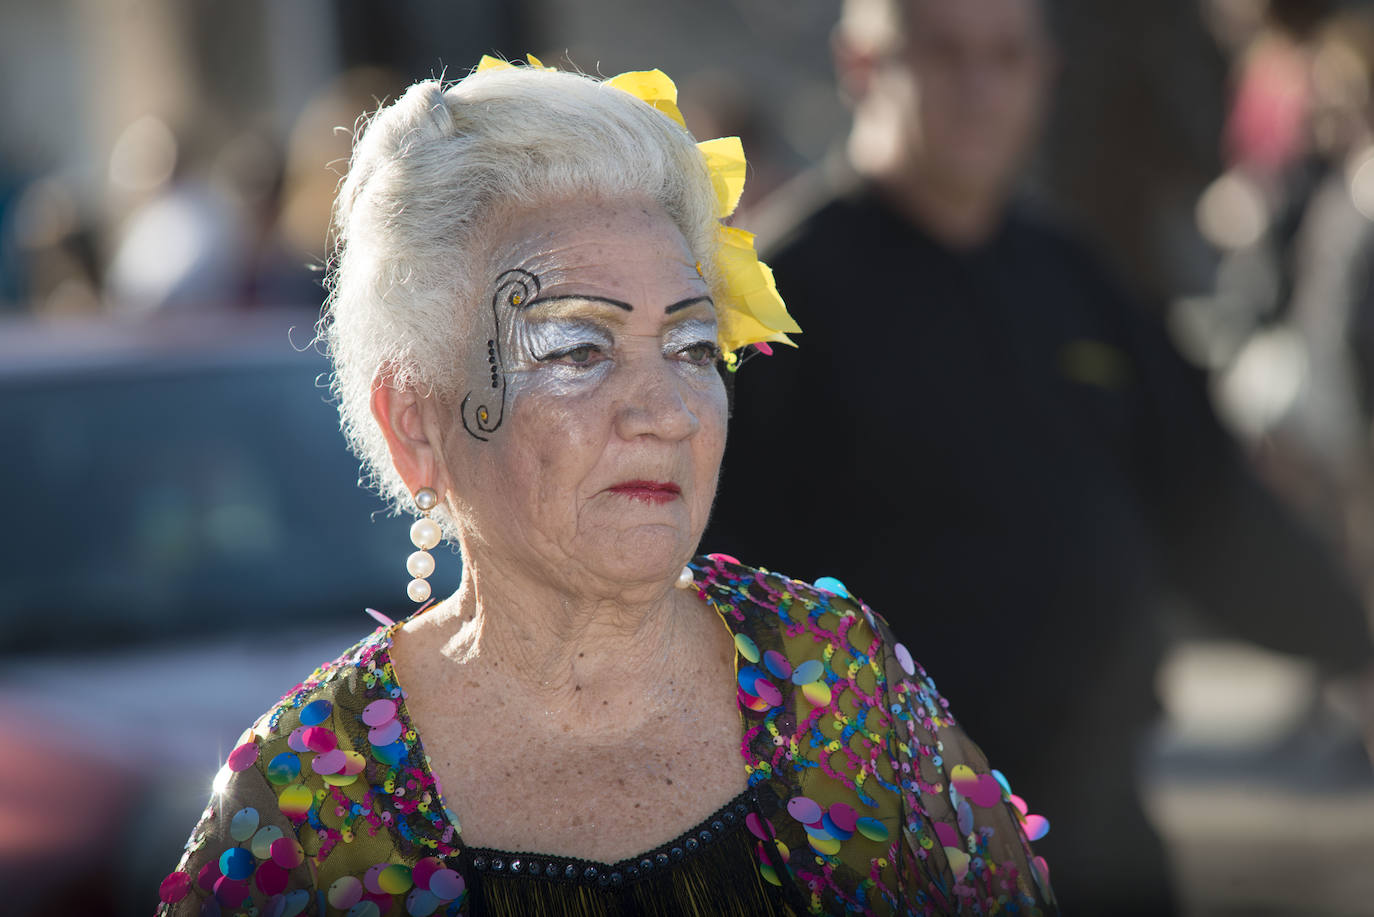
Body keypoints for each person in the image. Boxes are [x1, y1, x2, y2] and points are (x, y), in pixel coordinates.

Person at [155, 57, 1056, 917]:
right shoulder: (309, 800)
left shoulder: (839, 683)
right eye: (579, 349)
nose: (666, 411)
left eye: (692, 345)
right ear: (415, 424)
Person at [707, 0, 1374, 913]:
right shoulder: (780, 301)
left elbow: (1212, 512)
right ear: (861, 65)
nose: (978, 91)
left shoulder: (1077, 280)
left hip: (1103, 828)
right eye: (943, 56)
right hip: (886, 843)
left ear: (1043, 74)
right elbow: (711, 590)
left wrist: (1356, 645)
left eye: (1005, 57)